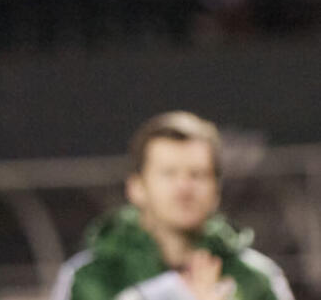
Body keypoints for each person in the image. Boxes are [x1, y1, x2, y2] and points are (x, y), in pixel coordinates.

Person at [51, 111, 293, 300]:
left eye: (197, 175)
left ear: (216, 190)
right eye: (168, 174)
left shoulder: (256, 278)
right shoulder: (88, 278)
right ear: (136, 187)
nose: (184, 187)